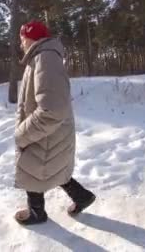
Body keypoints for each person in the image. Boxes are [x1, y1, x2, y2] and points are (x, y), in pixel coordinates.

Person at [14, 20, 96, 226]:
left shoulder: (45, 58)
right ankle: (82, 197)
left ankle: (37, 213)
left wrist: (22, 133)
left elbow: (51, 111)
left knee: (34, 165)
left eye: (21, 38)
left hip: (46, 132)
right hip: (50, 133)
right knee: (49, 167)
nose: (20, 43)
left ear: (29, 37)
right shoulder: (40, 57)